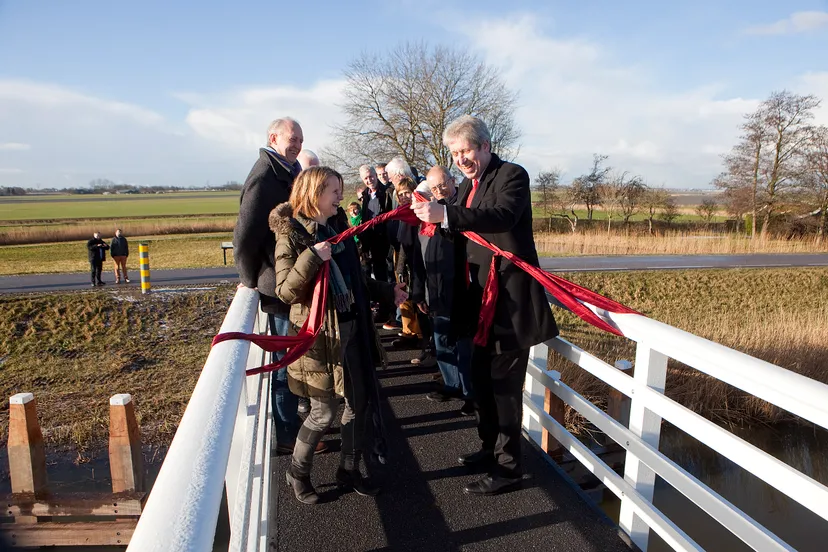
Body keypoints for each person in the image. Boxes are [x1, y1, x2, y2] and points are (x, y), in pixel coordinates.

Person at [412, 115, 558, 496]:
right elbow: (461, 234)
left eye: (466, 151)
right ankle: (488, 449)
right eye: (455, 153)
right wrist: (436, 219)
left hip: (509, 305)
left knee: (504, 391)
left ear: (485, 146)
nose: (460, 159)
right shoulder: (465, 187)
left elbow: (501, 217)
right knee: (479, 383)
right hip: (477, 303)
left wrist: (446, 214)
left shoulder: (513, 176)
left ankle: (508, 470)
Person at [271, 166, 407, 504]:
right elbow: (285, 291)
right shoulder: (292, 235)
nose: (340, 198)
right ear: (315, 194)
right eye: (334, 191)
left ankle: (349, 468)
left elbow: (356, 279)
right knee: (323, 413)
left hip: (353, 331)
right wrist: (312, 258)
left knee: (357, 405)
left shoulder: (338, 228)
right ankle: (298, 473)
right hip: (321, 340)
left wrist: (387, 290)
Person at [234, 117, 305, 454]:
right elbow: (245, 235)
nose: (297, 145)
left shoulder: (286, 172)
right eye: (292, 139)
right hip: (275, 284)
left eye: (301, 140)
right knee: (283, 362)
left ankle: (291, 426)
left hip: (286, 278)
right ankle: (287, 435)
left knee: (290, 356)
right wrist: (251, 280)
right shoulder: (264, 177)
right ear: (273, 137)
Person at [421, 166, 474, 414]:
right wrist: (421, 292)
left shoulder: (460, 209)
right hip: (437, 290)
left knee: (463, 345)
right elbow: (421, 256)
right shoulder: (430, 215)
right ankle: (451, 383)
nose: (439, 191)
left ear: (453, 181)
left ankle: (469, 393)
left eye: (443, 185)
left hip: (460, 291)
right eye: (434, 188)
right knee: (441, 340)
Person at [358, 165, 392, 284]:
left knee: (389, 272)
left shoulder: (387, 192)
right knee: (378, 273)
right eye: (366, 178)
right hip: (371, 239)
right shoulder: (365, 196)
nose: (369, 180)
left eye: (371, 176)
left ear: (375, 176)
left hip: (386, 239)